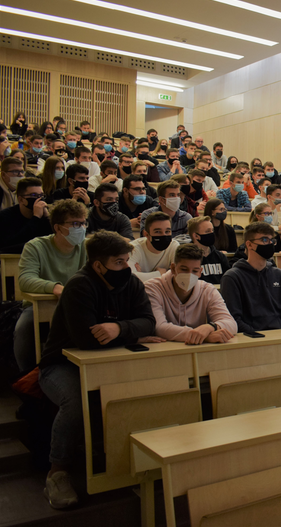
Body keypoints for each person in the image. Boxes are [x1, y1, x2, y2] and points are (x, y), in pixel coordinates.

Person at [38, 230, 155, 509]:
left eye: (126, 261)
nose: (125, 267)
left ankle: (130, 463)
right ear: (98, 265)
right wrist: (133, 333)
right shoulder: (79, 285)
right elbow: (87, 340)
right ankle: (57, 472)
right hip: (62, 365)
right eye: (118, 262)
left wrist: (119, 328)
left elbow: (149, 322)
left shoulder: (131, 282)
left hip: (112, 359)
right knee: (77, 402)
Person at [14, 199, 87, 372]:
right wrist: (55, 287)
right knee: (24, 327)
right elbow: (25, 279)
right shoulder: (35, 246)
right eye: (75, 224)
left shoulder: (87, 247)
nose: (81, 228)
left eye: (84, 223)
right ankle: (26, 375)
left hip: (77, 304)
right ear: (58, 228)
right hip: (40, 304)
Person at [144, 244, 236, 344]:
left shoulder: (207, 290)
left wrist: (210, 327)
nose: (189, 275)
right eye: (184, 269)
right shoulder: (152, 288)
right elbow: (159, 327)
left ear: (200, 272)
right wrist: (203, 336)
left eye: (195, 271)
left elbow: (231, 324)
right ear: (173, 268)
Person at [220, 223, 281, 332]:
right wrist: (257, 336)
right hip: (250, 337)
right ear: (249, 244)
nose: (270, 244)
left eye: (272, 240)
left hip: (280, 334)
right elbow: (234, 318)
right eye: (264, 240)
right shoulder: (232, 277)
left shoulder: (280, 275)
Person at [0, 177, 52, 253]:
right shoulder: (5, 217)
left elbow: (55, 239)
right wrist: (36, 217)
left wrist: (48, 217)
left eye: (41, 195)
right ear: (21, 199)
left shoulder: (45, 214)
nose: (39, 199)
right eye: (33, 195)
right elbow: (10, 244)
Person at [129, 211, 179, 281]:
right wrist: (160, 273)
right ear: (146, 234)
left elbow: (179, 275)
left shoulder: (174, 246)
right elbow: (129, 278)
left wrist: (142, 276)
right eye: (158, 232)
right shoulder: (133, 248)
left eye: (167, 231)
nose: (164, 235)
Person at [187, 216, 230, 284]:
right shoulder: (187, 258)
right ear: (196, 236)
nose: (212, 234)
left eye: (212, 230)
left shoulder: (220, 257)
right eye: (207, 231)